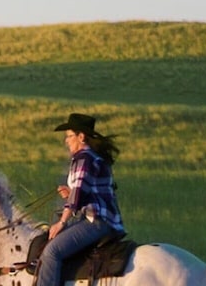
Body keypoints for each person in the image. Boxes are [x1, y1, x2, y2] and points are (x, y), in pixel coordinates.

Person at [37, 113, 125, 286]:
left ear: (81, 136)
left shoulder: (83, 158)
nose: (66, 141)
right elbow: (85, 190)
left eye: (69, 136)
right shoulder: (93, 157)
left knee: (51, 252)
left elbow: (78, 192)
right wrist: (70, 192)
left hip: (96, 221)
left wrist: (61, 222)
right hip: (105, 219)